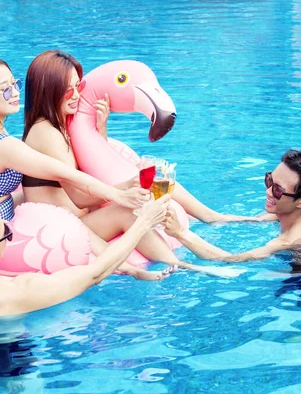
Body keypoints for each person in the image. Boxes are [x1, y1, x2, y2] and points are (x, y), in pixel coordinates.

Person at [22, 50, 244, 279]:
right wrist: (126, 187)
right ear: (48, 91)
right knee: (127, 212)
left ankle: (211, 217)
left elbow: (90, 169)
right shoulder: (45, 133)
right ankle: (184, 265)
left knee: (154, 180)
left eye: (79, 86)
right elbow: (78, 197)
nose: (77, 95)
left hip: (82, 215)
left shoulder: (60, 127)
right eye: (69, 90)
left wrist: (100, 130)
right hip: (66, 227)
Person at [0, 54, 174, 281]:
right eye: (5, 90)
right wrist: (118, 193)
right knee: (86, 217)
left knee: (63, 211)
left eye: (14, 84)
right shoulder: (4, 145)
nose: (16, 94)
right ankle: (142, 268)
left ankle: (133, 267)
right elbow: (65, 173)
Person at [0, 195, 172, 316]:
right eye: (7, 235)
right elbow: (96, 273)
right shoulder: (19, 292)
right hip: (13, 364)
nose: (9, 235)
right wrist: (143, 222)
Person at [164, 149, 301, 266]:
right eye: (270, 180)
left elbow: (230, 259)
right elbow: (262, 219)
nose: (269, 192)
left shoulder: (288, 241)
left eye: (278, 190)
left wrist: (181, 233)